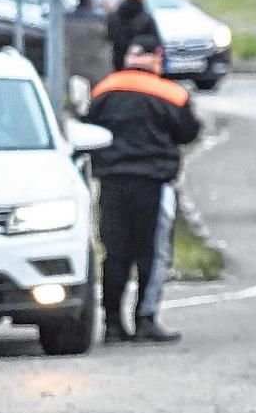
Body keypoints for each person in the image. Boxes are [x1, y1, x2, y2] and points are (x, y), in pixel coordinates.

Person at [84, 44, 200, 343]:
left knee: (115, 253)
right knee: (153, 252)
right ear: (156, 60)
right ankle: (146, 319)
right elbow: (189, 132)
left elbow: (88, 128)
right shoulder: (171, 93)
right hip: (153, 182)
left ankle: (111, 323)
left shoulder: (104, 89)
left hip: (112, 181)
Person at [107, 0, 163, 71]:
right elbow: (156, 42)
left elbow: (109, 38)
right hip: (141, 69)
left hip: (118, 67)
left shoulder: (114, 16)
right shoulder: (146, 18)